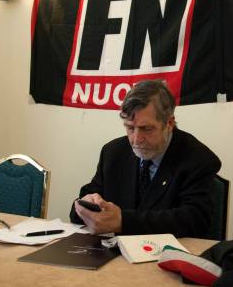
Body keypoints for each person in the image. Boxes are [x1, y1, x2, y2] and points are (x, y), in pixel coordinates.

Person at [70, 79, 221, 238]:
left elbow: (195, 221)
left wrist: (123, 221)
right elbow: (79, 208)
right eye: (130, 127)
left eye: (146, 129)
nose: (136, 140)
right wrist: (85, 206)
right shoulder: (113, 153)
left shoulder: (198, 159)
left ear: (169, 123)